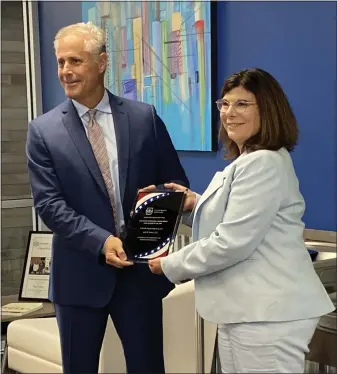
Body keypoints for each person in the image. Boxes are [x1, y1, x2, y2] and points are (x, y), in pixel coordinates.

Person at [26, 22, 189, 374]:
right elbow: (50, 205)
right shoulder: (43, 131)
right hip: (79, 276)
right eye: (60, 62)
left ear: (101, 63)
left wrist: (157, 222)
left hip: (139, 276)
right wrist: (101, 242)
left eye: (75, 61)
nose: (65, 71)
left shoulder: (143, 118)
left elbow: (174, 182)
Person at [148, 68, 335, 373]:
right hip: (247, 310)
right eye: (225, 104)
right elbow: (236, 216)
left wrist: (169, 264)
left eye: (242, 104)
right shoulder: (248, 160)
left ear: (268, 109)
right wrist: (194, 203)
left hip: (269, 313)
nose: (230, 113)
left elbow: (232, 242)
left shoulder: (264, 163)